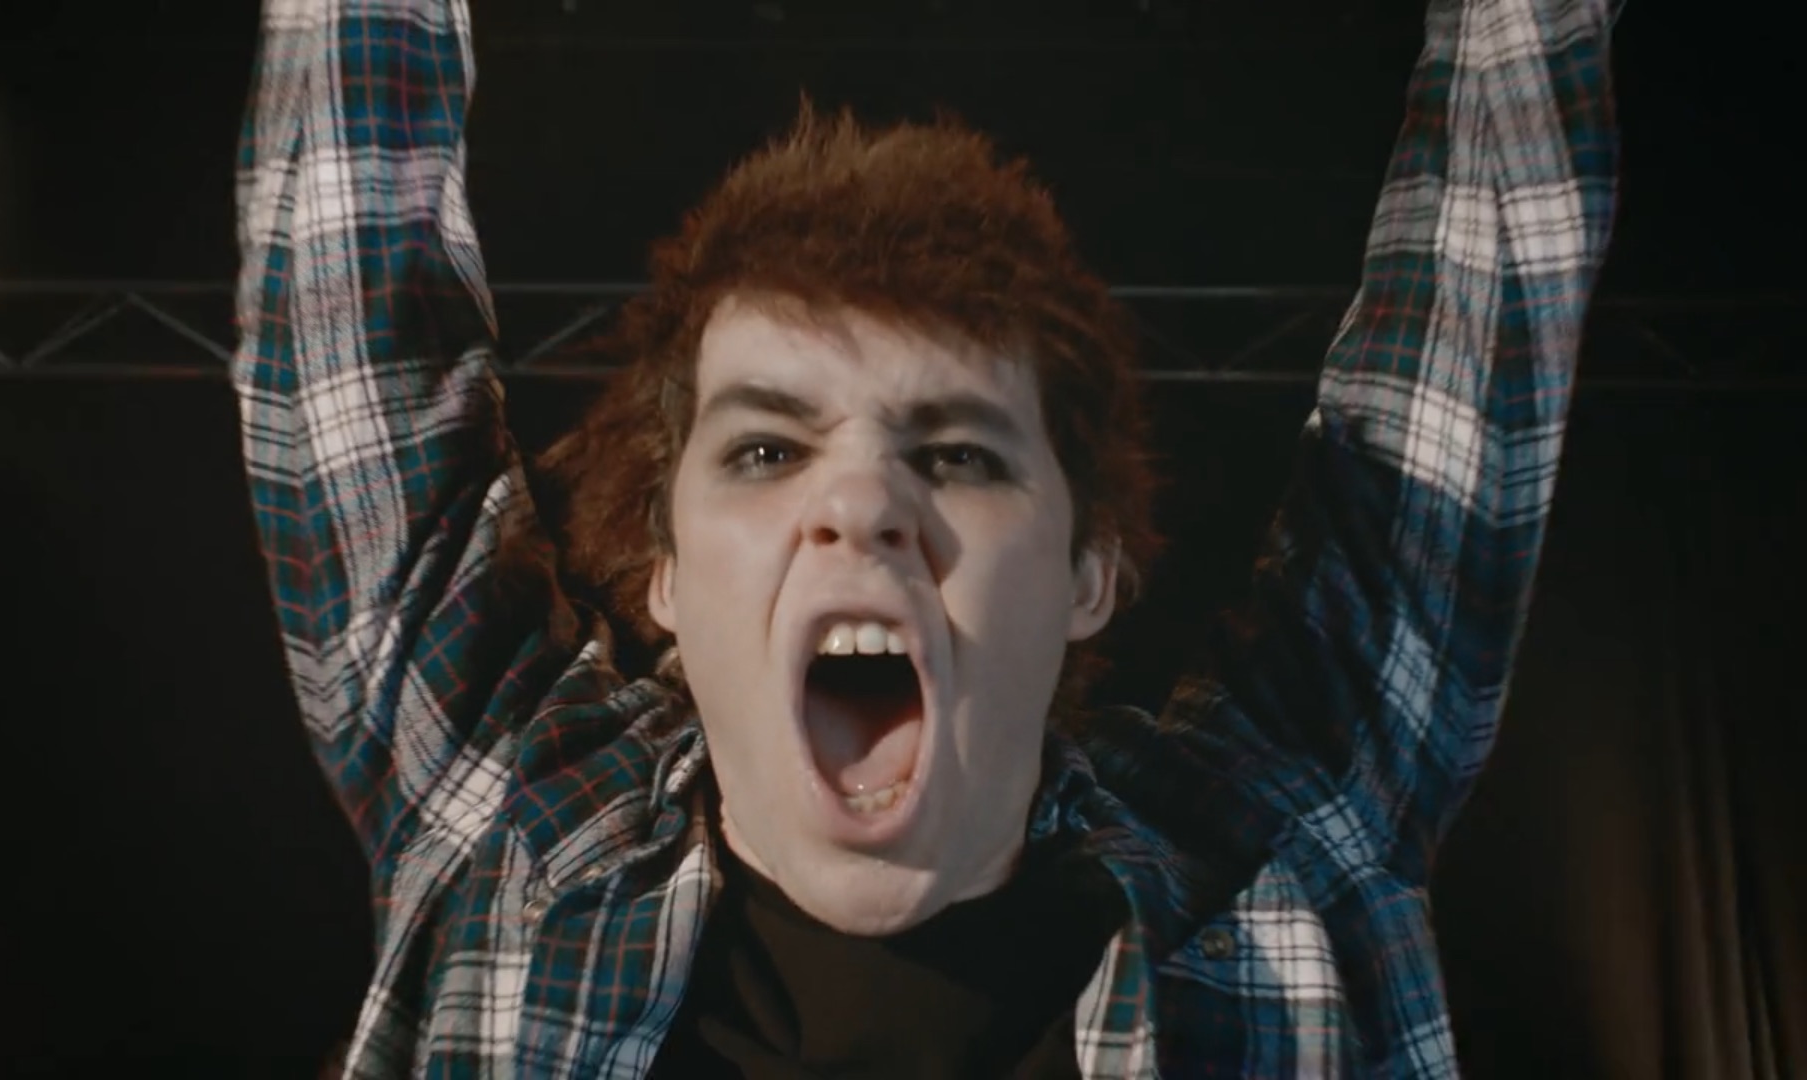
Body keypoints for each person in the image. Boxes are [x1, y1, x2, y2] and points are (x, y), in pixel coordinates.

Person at [235, 0, 1616, 1074]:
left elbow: (1491, 268)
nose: (864, 506)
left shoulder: (1276, 859)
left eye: (955, 454)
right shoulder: (509, 820)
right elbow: (346, 305)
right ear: (665, 574)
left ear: (1088, 572)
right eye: (768, 449)